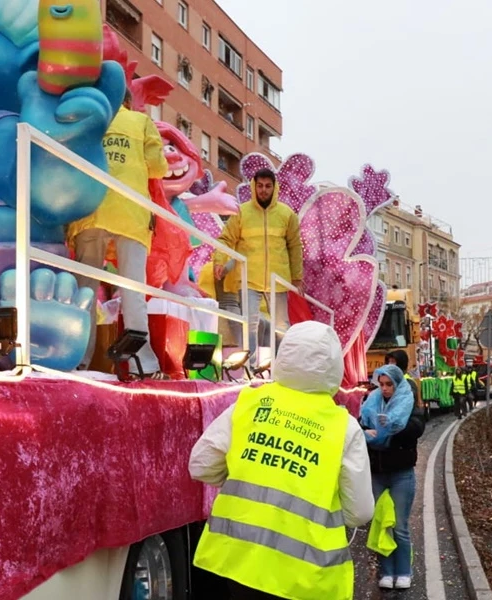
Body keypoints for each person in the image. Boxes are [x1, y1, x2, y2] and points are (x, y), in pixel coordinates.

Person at [189, 321, 373, 600]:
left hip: (236, 563)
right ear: (335, 365)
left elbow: (200, 465)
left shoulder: (249, 402)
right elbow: (359, 512)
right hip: (305, 576)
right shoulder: (343, 427)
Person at [67, 90, 169, 375]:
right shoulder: (141, 122)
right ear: (129, 103)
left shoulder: (94, 120)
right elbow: (159, 168)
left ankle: (77, 360)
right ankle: (144, 366)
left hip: (92, 210)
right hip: (131, 215)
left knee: (85, 290)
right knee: (133, 292)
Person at [214, 168, 304, 365]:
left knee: (281, 325)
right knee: (250, 323)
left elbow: (295, 246)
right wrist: (220, 261)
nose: (263, 190)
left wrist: (297, 277)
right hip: (249, 278)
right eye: (260, 186)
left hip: (277, 279)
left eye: (268, 186)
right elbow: (226, 239)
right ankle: (251, 366)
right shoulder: (241, 212)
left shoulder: (286, 214)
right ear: (254, 186)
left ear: (274, 187)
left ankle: (283, 365)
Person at [360, 364, 422, 590]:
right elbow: (360, 425)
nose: (385, 389)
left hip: (401, 475)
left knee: (400, 526)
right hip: (377, 474)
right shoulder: (371, 402)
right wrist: (366, 433)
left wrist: (394, 429)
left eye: (389, 385)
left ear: (397, 384)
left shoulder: (409, 403)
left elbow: (416, 428)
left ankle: (404, 571)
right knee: (381, 525)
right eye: (381, 384)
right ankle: (386, 572)